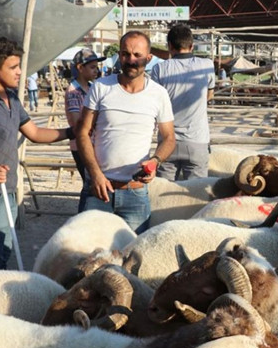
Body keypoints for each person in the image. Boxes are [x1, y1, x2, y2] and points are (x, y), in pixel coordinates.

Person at [0, 36, 73, 270]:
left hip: (7, 185)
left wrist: (73, 132)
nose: (20, 72)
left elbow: (35, 132)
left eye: (19, 66)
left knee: (5, 248)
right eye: (13, 67)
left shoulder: (11, 97)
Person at [75, 31, 175, 233]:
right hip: (98, 189)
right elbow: (82, 132)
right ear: (119, 55)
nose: (131, 60)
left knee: (132, 257)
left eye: (137, 55)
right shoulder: (101, 87)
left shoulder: (158, 94)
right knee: (86, 255)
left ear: (148, 58)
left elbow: (169, 138)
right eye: (125, 54)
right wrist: (95, 174)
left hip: (135, 193)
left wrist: (155, 161)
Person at [149, 24, 215, 181]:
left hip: (167, 142)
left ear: (169, 46)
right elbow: (209, 95)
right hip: (197, 141)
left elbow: (154, 102)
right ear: (192, 46)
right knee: (195, 196)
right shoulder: (206, 65)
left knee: (163, 192)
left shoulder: (160, 68)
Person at [65, 47, 103, 212]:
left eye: (96, 67)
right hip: (81, 144)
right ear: (80, 68)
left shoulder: (89, 87)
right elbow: (76, 123)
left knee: (91, 183)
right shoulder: (74, 92)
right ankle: (83, 216)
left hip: (90, 142)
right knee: (89, 184)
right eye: (92, 67)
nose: (97, 70)